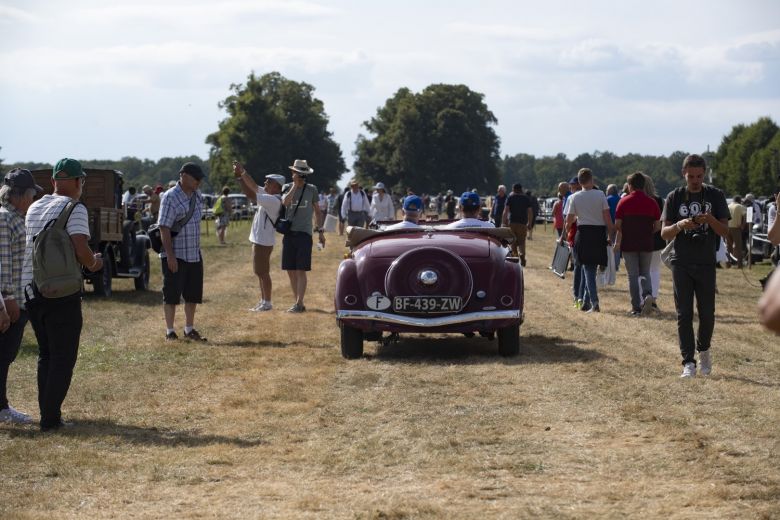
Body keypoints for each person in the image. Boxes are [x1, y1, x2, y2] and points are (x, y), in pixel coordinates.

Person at [23, 158, 104, 431]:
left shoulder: (35, 206)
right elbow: (80, 247)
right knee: (63, 356)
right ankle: (50, 418)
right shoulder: (75, 208)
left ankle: (47, 411)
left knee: (46, 354)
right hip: (62, 291)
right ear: (77, 182)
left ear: (54, 181)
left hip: (34, 289)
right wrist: (95, 264)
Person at [660, 154, 729, 378]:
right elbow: (664, 233)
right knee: (684, 313)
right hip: (681, 261)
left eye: (699, 176)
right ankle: (688, 362)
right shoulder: (674, 197)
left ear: (705, 173)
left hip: (706, 262)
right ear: (684, 174)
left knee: (707, 313)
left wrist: (709, 220)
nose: (696, 180)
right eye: (691, 176)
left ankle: (704, 349)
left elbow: (725, 232)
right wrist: (680, 224)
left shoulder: (715, 195)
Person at [0, 169, 43, 424]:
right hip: (10, 298)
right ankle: (1, 407)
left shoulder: (15, 216)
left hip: (16, 296)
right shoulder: (6, 219)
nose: (32, 199)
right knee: (3, 355)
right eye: (30, 194)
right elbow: (3, 262)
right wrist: (7, 298)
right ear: (17, 195)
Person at [158, 162, 207, 342]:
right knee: (171, 295)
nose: (199, 182)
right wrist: (170, 255)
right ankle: (170, 331)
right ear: (184, 176)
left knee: (192, 294)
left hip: (194, 253)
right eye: (196, 178)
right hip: (176, 254)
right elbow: (164, 228)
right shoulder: (170, 197)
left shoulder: (197, 195)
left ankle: (189, 328)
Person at [233, 162, 284, 312]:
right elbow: (254, 187)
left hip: (263, 241)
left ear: (276, 187)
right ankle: (264, 301)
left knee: (263, 272)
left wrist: (240, 177)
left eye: (268, 182)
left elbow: (251, 192)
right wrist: (242, 175)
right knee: (260, 272)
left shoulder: (273, 200)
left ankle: (267, 302)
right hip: (260, 239)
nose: (265, 183)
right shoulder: (269, 196)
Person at [563, 168, 614, 313]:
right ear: (591, 180)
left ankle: (594, 302)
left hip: (583, 234)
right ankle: (586, 301)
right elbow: (607, 217)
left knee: (588, 270)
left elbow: (569, 220)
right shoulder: (600, 194)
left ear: (579, 182)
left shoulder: (574, 197)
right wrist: (610, 235)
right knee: (589, 269)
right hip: (598, 234)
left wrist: (567, 233)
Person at [613, 172, 661, 316]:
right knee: (646, 272)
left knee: (632, 276)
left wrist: (627, 232)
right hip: (646, 243)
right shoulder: (652, 202)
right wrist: (647, 233)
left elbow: (617, 224)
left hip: (629, 244)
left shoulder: (623, 202)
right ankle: (647, 296)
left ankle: (636, 307)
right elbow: (658, 226)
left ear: (630, 185)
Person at [281, 159, 325, 313]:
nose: (300, 176)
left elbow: (318, 212)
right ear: (293, 173)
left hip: (305, 234)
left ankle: (299, 303)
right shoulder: (287, 187)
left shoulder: (312, 189)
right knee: (290, 270)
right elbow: (285, 203)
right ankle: (297, 302)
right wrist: (294, 185)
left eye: (302, 174)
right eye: (297, 173)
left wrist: (320, 232)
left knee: (301, 270)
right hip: (289, 233)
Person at [641, 173, 665, 310]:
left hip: (642, 239)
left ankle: (643, 297)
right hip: (657, 239)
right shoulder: (659, 200)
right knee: (655, 270)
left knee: (642, 270)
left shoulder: (639, 200)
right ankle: (653, 298)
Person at [502, 183, 533, 265]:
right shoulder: (526, 198)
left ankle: (515, 256)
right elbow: (530, 211)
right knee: (522, 241)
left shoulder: (510, 197)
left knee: (513, 241)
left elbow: (506, 210)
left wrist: (504, 221)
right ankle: (522, 255)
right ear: (521, 189)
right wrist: (529, 223)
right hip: (522, 223)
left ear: (513, 189)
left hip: (512, 222)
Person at [726, 195, 746, 268]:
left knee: (729, 247)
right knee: (738, 247)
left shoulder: (728, 206)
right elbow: (744, 216)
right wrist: (743, 225)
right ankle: (739, 265)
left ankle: (728, 264)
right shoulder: (740, 206)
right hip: (736, 228)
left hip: (727, 228)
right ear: (739, 200)